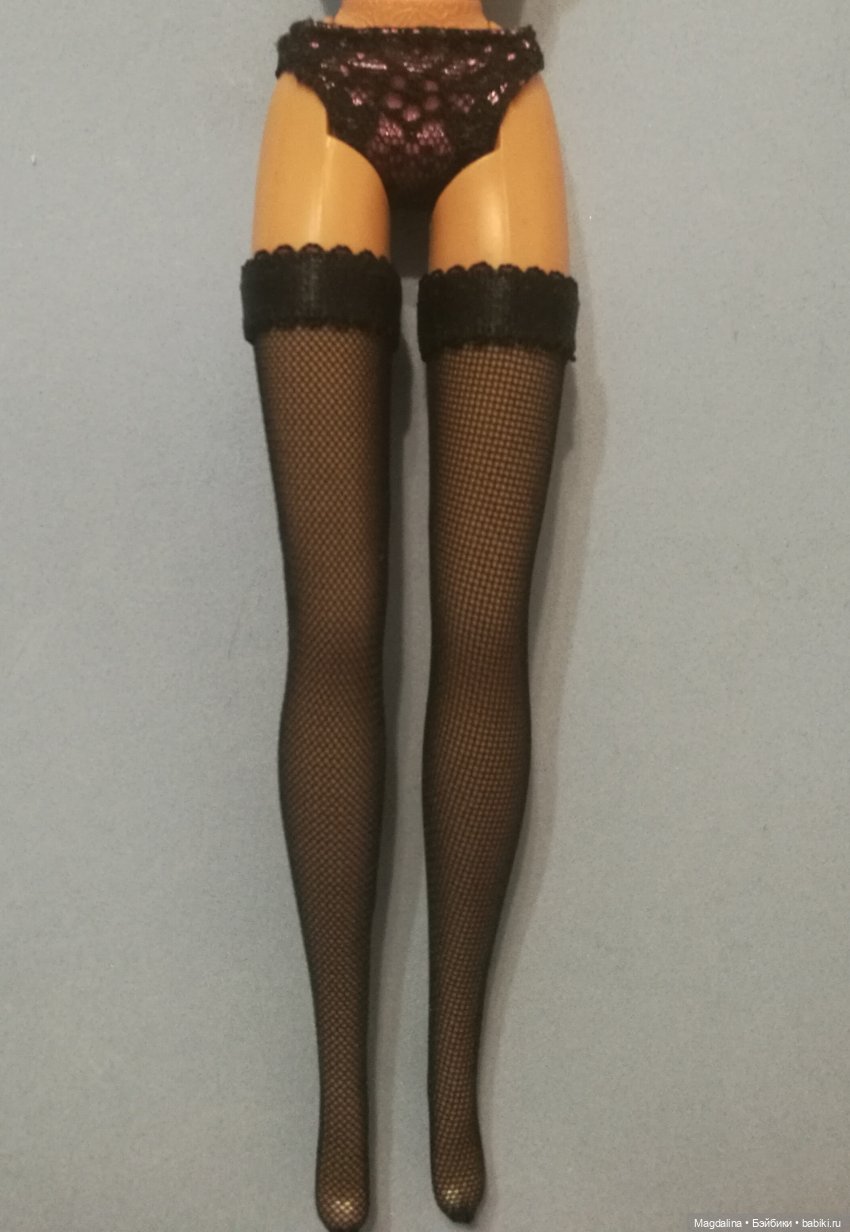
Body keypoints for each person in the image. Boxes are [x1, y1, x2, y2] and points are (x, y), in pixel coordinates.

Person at [239, 2, 579, 1228]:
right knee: (333, 632)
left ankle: (450, 1092)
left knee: (485, 637)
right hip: (327, 93)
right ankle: (342, 1095)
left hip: (499, 92)